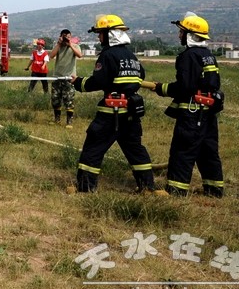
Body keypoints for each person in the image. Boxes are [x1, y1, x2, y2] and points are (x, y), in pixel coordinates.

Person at [69, 14, 163, 195]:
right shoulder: (131, 56)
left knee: (93, 148)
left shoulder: (107, 55)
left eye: (100, 33)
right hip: (131, 111)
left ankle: (86, 187)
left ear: (109, 34)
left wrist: (78, 82)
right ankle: (147, 187)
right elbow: (141, 76)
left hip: (110, 112)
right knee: (135, 150)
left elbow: (99, 81)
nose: (99, 37)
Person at [147, 13, 224, 197]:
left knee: (183, 150)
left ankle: (176, 191)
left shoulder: (188, 56)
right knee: (208, 151)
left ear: (190, 35)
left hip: (192, 114)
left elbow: (185, 87)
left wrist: (161, 88)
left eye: (182, 32)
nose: (179, 35)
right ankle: (214, 189)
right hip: (208, 113)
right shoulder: (208, 56)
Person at [49, 29, 83, 127]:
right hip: (57, 77)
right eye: (64, 37)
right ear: (61, 37)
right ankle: (57, 120)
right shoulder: (58, 46)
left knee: (69, 100)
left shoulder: (75, 46)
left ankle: (69, 122)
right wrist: (59, 44)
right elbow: (51, 56)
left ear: (71, 37)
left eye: (68, 37)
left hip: (69, 77)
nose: (66, 38)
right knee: (55, 99)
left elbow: (80, 55)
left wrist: (70, 45)